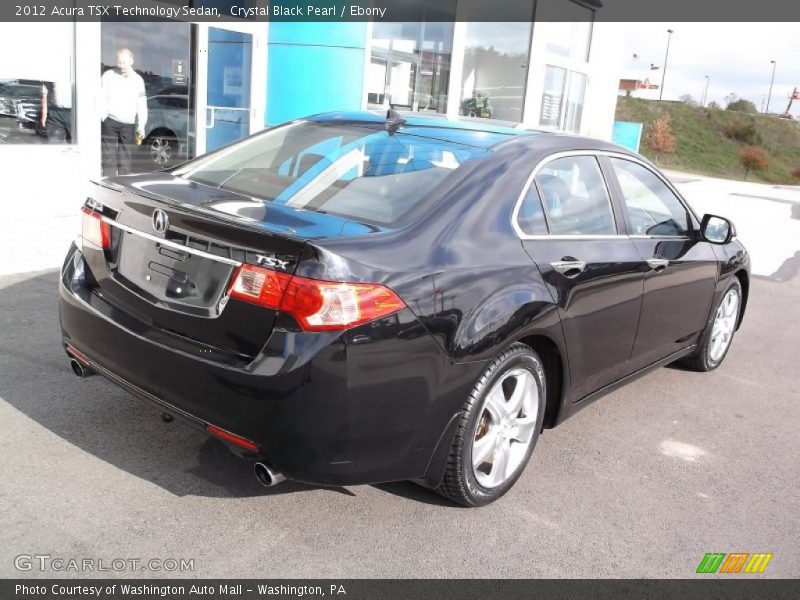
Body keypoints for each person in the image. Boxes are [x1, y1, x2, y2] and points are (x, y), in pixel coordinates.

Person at [100, 48, 147, 176]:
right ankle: (108, 185)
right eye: (119, 62)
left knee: (125, 159)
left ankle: (122, 186)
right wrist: (103, 117)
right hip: (110, 121)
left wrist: (141, 126)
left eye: (124, 62)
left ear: (131, 61)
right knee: (108, 157)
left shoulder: (138, 80)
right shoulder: (108, 75)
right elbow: (101, 97)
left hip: (128, 124)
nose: (121, 66)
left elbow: (142, 105)